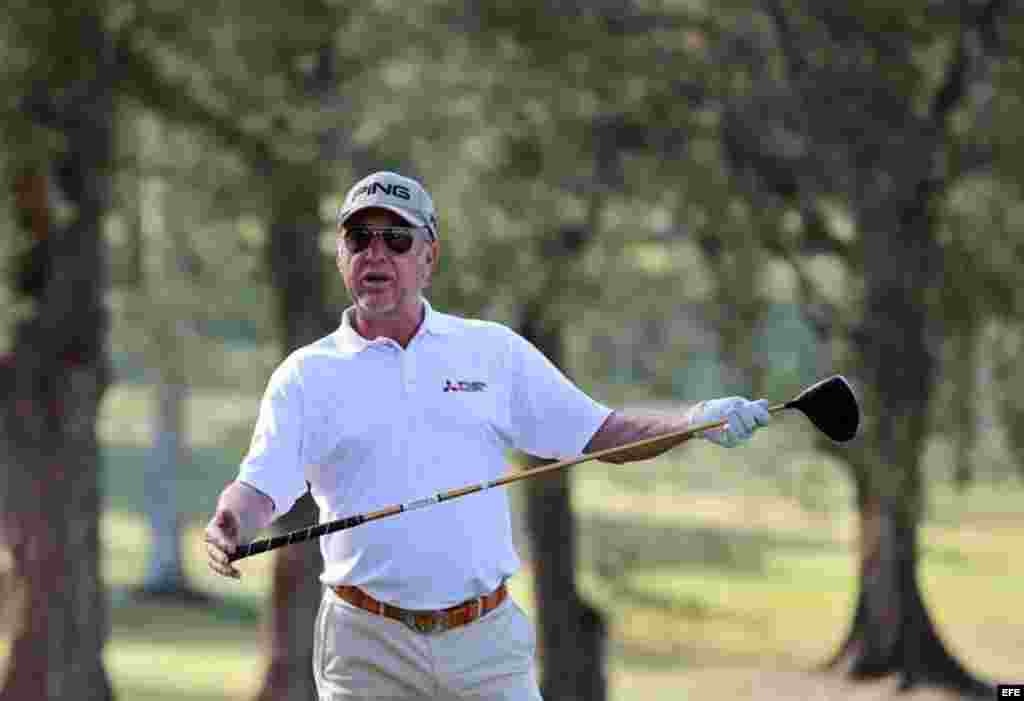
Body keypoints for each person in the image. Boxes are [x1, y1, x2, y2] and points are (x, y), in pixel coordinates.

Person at [204, 171, 770, 700]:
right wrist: (230, 520)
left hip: (485, 644)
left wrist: (696, 421)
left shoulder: (490, 351)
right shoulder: (306, 375)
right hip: (365, 647)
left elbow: (601, 432)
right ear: (340, 254)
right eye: (359, 238)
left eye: (396, 239)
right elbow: (259, 486)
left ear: (430, 255)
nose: (375, 253)